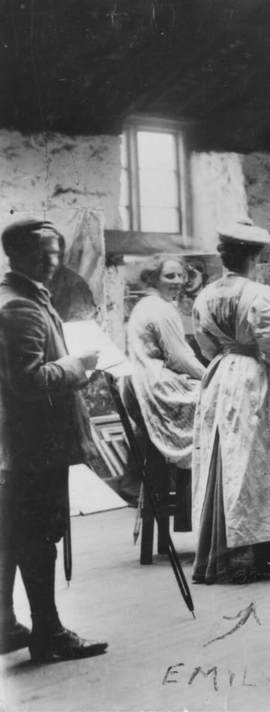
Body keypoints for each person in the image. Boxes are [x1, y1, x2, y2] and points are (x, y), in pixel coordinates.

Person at [190, 219, 270, 585]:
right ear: (255, 255)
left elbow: (205, 347)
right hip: (253, 381)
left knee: (227, 464)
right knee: (258, 466)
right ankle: (254, 553)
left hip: (219, 379)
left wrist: (231, 351)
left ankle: (238, 552)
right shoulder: (258, 293)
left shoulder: (203, 296)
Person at [0, 218, 108, 662]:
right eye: (44, 253)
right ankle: (50, 633)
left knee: (13, 534)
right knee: (39, 536)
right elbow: (26, 381)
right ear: (19, 255)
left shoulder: (24, 298)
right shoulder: (19, 306)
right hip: (33, 443)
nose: (53, 261)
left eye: (57, 252)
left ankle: (6, 626)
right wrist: (77, 365)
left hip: (21, 444)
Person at [125, 257, 205, 472]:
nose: (178, 281)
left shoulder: (145, 304)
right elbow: (179, 358)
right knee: (217, 399)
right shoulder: (161, 308)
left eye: (181, 276)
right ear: (153, 279)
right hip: (156, 384)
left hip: (141, 381)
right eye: (169, 276)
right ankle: (200, 478)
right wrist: (210, 376)